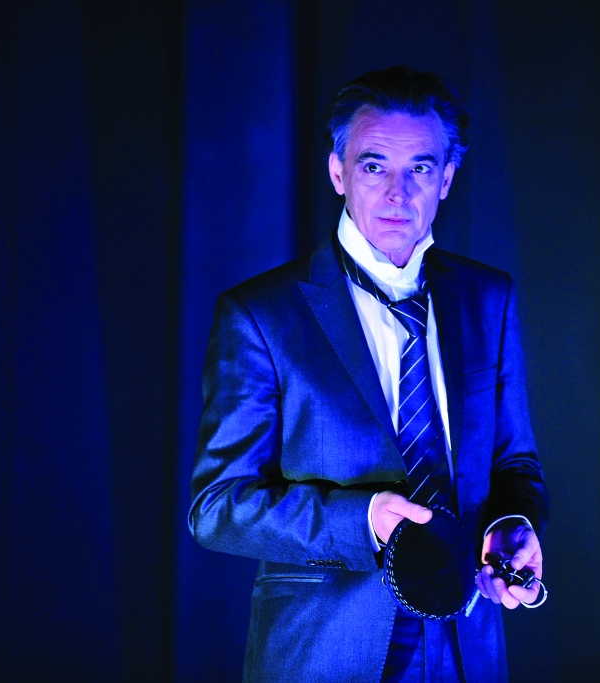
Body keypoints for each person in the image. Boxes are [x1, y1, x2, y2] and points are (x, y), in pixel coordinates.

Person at [189, 66, 549, 683]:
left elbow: (515, 464)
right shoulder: (260, 315)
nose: (398, 193)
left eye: (421, 169)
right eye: (374, 166)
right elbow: (218, 506)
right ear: (338, 172)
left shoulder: (490, 298)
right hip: (325, 651)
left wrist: (511, 525)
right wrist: (361, 521)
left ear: (448, 177)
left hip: (469, 644)